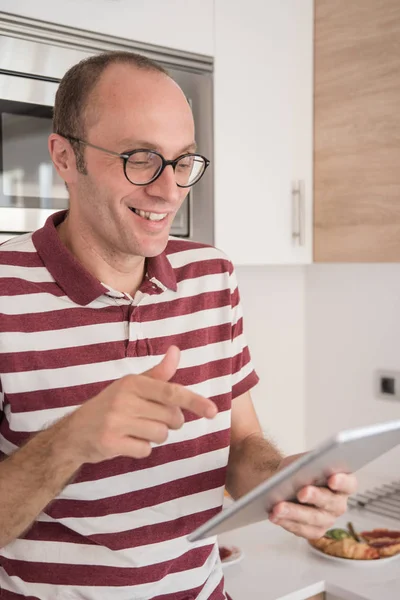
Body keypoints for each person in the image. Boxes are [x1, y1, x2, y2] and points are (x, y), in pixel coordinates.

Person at [0, 51, 357, 600]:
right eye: (140, 158)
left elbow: (242, 446)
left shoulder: (211, 275)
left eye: (183, 160)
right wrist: (72, 440)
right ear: (65, 157)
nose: (169, 190)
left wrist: (283, 481)